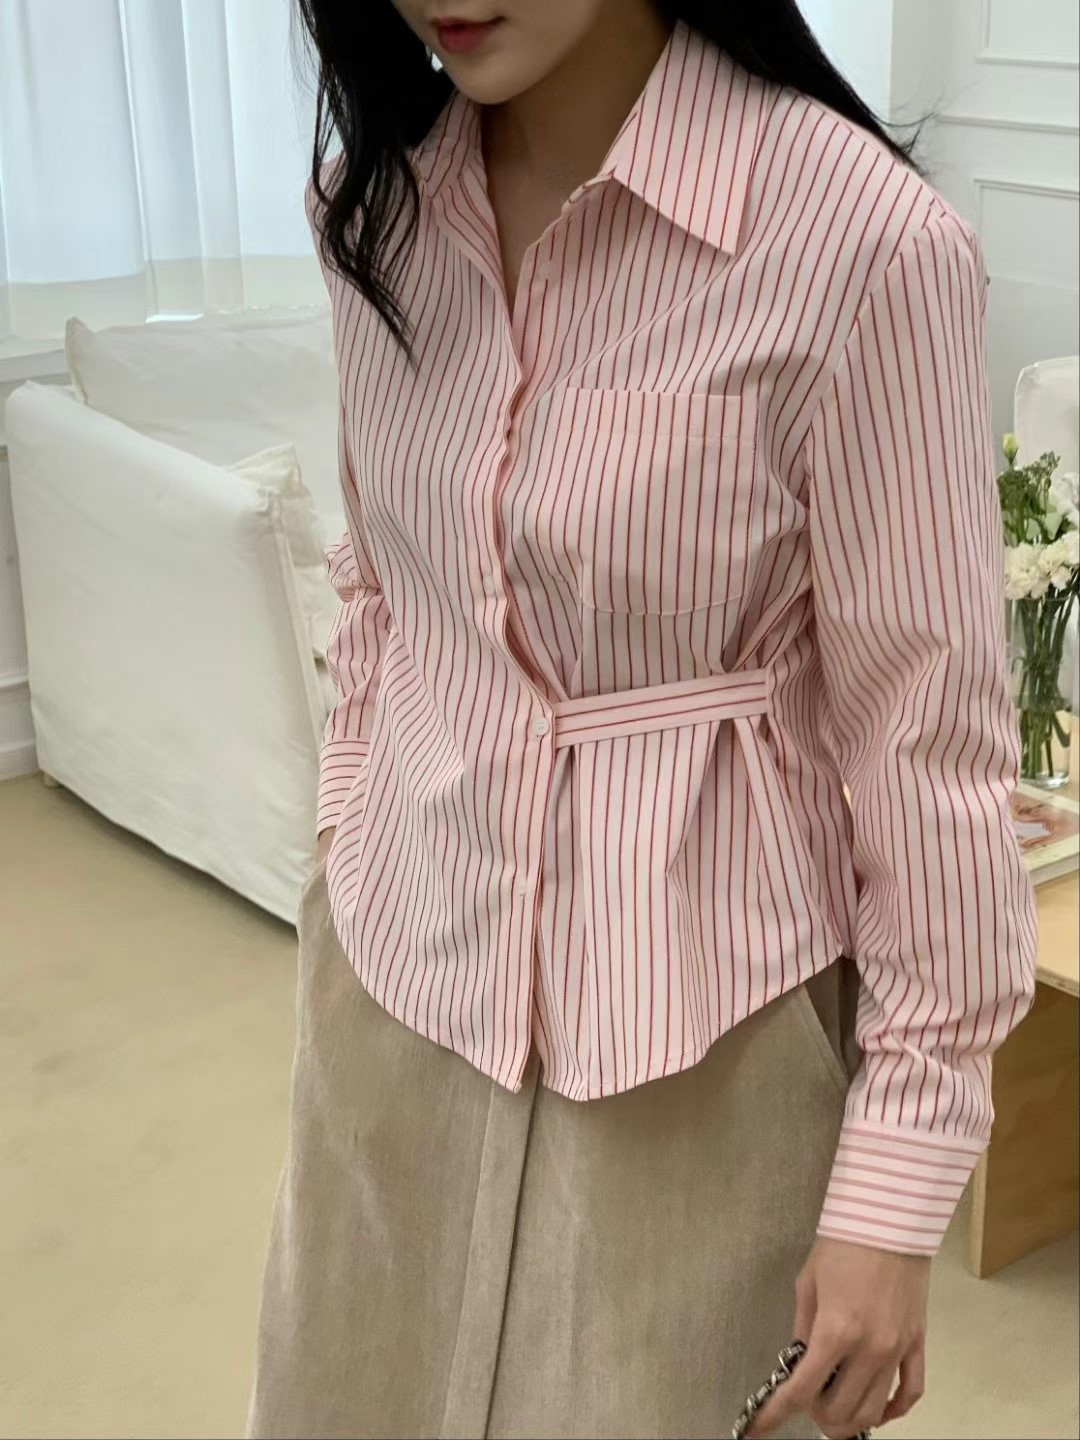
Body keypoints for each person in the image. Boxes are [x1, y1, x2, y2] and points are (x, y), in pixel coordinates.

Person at [247, 3, 1037, 1437]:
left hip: (701, 1044)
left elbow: (928, 747)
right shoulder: (374, 206)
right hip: (398, 987)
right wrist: (348, 823)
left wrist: (895, 1187)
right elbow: (383, 586)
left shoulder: (865, 244)